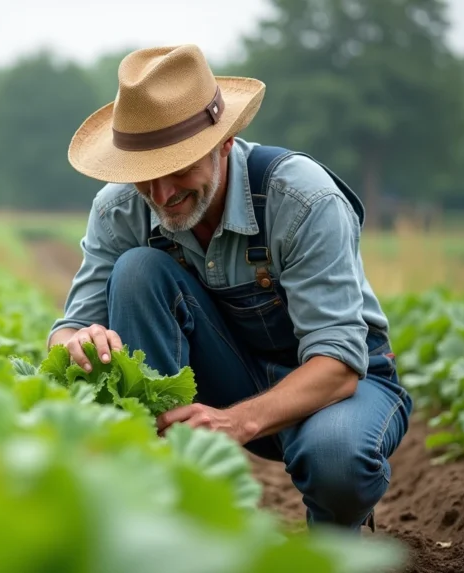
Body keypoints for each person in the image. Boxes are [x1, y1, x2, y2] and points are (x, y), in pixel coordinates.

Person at [47, 44, 413, 533]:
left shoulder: (302, 199)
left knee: (336, 459)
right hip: (224, 376)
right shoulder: (119, 210)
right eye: (143, 176)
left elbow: (339, 365)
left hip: (338, 386)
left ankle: (338, 544)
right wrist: (78, 342)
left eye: (178, 167)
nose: (161, 194)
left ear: (223, 143)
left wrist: (239, 421)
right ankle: (173, 524)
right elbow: (66, 328)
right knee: (136, 270)